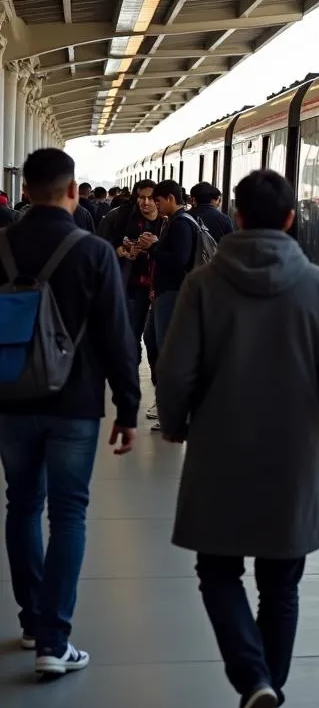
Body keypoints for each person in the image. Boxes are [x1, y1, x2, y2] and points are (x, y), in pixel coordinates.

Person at [156, 170, 319, 708]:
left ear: (237, 217)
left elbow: (175, 372)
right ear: (291, 220)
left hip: (219, 449)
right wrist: (312, 413)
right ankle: (268, 702)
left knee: (217, 572)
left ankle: (253, 681)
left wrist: (176, 425)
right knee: (282, 584)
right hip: (292, 456)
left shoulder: (203, 283)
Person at [0, 149, 140, 677]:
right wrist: (128, 407)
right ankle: (54, 641)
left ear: (25, 189)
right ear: (73, 190)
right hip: (75, 403)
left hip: (10, 401)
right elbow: (116, 336)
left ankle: (33, 621)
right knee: (69, 514)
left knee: (21, 507)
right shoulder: (93, 251)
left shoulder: (1, 246)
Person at [137, 179, 197, 358]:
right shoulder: (176, 220)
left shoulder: (181, 223)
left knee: (164, 342)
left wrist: (153, 247)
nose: (156, 206)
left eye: (158, 201)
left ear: (170, 198)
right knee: (151, 337)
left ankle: (167, 381)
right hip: (166, 291)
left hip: (173, 291)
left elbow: (179, 260)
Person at [113, 179, 160, 388]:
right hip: (134, 286)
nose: (146, 202)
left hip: (160, 289)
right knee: (132, 333)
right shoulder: (125, 219)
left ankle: (159, 382)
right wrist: (124, 251)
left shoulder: (170, 222)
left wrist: (153, 247)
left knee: (155, 338)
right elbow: (110, 246)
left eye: (150, 197)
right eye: (141, 197)